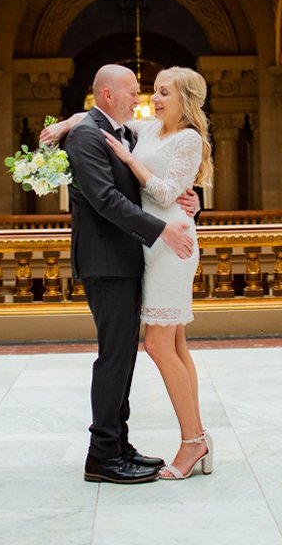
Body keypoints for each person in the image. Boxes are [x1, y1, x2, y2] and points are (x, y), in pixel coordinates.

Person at [53, 63, 198, 485]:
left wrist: (189, 203)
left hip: (129, 257)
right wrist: (162, 230)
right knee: (115, 358)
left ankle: (119, 445)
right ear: (107, 95)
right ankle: (101, 456)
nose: (141, 99)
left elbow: (162, 182)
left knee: (124, 357)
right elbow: (104, 199)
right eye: (134, 91)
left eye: (148, 91)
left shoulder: (124, 132)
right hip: (107, 261)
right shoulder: (86, 135)